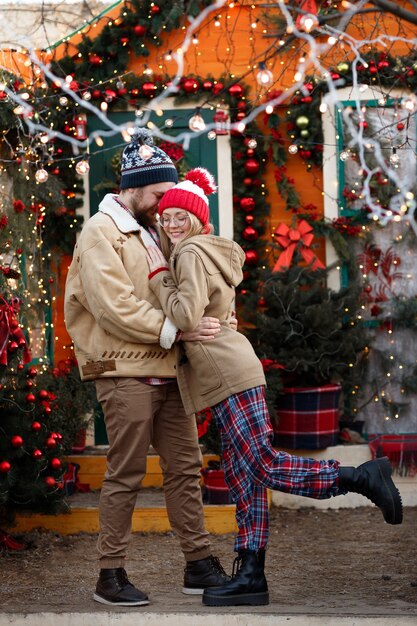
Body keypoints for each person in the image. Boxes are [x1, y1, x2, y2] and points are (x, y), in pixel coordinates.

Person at [145, 167, 403, 608]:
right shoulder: (206, 250)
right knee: (245, 478)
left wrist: (159, 283)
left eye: (179, 217)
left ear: (198, 220)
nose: (171, 224)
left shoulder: (187, 254)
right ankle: (251, 575)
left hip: (228, 372)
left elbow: (186, 316)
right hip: (230, 369)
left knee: (259, 466)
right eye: (165, 217)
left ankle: (360, 478)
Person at [64, 132, 230, 607]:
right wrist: (178, 331)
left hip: (168, 369)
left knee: (185, 469)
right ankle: (109, 574)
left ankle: (198, 563)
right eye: (158, 195)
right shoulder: (101, 231)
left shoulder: (155, 230)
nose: (163, 206)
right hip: (123, 370)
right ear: (133, 188)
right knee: (127, 471)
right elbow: (113, 305)